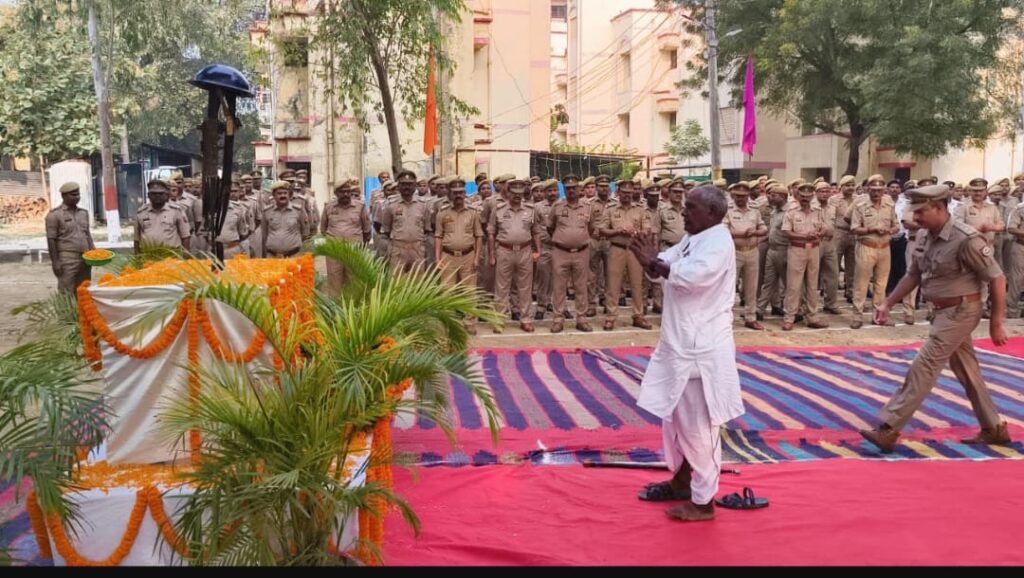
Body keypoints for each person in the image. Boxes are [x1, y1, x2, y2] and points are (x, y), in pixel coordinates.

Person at [860, 185, 1011, 453]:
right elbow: (913, 274)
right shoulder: (923, 235)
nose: (915, 217)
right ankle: (993, 427)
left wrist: (996, 323)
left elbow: (997, 278)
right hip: (943, 312)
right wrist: (888, 303)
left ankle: (889, 429)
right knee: (967, 370)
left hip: (961, 311)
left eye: (921, 212)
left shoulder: (966, 239)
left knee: (924, 366)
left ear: (940, 208)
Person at [630, 186, 744, 522]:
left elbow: (692, 277)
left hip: (701, 349)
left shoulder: (718, 243)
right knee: (675, 420)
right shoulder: (694, 238)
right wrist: (653, 262)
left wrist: (654, 262)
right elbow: (667, 262)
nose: (683, 211)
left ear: (712, 213)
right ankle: (682, 480)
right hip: (679, 344)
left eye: (691, 207)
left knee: (698, 427)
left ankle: (704, 501)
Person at [321, 180, 372, 294]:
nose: (346, 194)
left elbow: (367, 230)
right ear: (336, 193)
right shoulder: (329, 207)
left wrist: (358, 244)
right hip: (334, 252)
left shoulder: (360, 206)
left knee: (354, 281)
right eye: (342, 192)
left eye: (348, 191)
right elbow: (323, 229)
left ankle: (353, 304)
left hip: (354, 251)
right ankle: (335, 304)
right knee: (334, 282)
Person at [45, 182, 95, 295]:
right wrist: (55, 262)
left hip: (85, 259)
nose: (77, 197)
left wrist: (93, 252)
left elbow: (87, 234)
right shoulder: (54, 215)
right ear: (64, 196)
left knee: (84, 292)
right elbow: (51, 240)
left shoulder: (83, 213)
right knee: (66, 293)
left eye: (78, 194)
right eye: (73, 194)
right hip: (67, 259)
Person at [135, 179, 191, 253]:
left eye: (160, 193)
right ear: (149, 195)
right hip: (147, 255)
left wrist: (186, 254)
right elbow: (137, 238)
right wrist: (137, 256)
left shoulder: (176, 211)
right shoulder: (141, 213)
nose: (157, 196)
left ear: (166, 195)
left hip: (171, 255)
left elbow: (185, 236)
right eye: (154, 194)